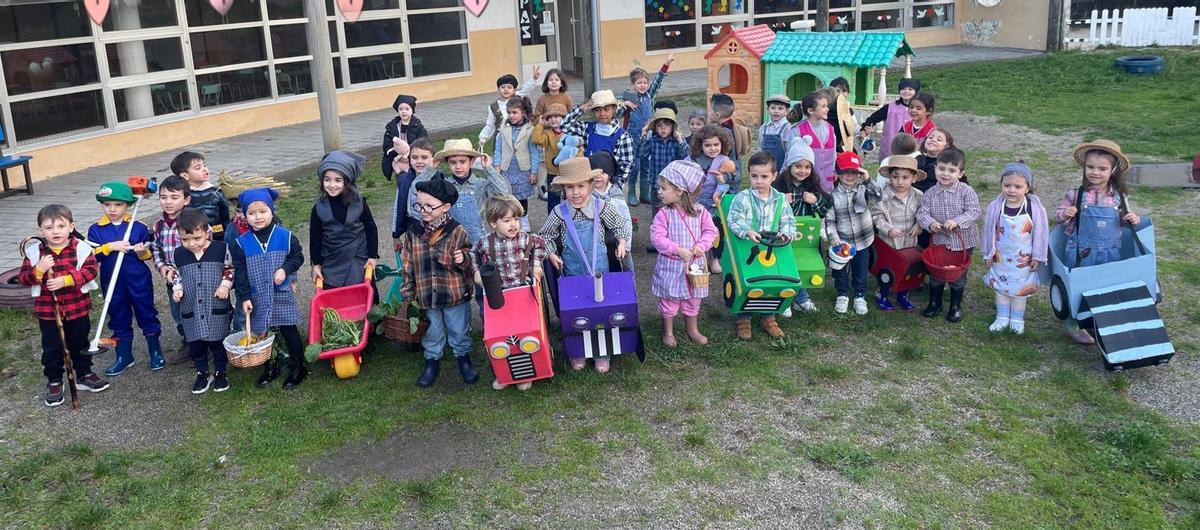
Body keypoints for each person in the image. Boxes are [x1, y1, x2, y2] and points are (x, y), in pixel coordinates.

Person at [538, 157, 632, 373]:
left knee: (601, 309)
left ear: (590, 185)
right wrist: (551, 253)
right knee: (576, 312)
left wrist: (622, 241)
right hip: (572, 273)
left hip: (600, 272)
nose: (576, 192)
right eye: (570, 187)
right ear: (563, 188)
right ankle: (578, 350)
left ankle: (602, 352)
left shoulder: (601, 207)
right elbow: (545, 236)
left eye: (581, 186)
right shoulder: (559, 213)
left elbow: (620, 225)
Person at [20, 205, 109, 407]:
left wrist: (66, 280)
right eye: (49, 227)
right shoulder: (35, 253)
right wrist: (39, 270)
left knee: (80, 342)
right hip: (48, 312)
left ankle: (84, 373)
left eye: (61, 226)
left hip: (77, 307)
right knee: (52, 347)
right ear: (41, 230)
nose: (55, 231)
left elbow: (90, 271)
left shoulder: (81, 248)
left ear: (71, 227)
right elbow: (24, 278)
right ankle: (54, 380)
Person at [1055, 140, 1139, 345]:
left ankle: (1097, 319)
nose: (1095, 172)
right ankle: (1072, 323)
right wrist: (1065, 213)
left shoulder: (1119, 197)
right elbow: (1058, 215)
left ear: (1112, 171)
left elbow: (1124, 220)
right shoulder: (1076, 194)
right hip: (1081, 251)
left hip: (1109, 251)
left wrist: (1131, 219)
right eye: (1091, 167)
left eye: (1102, 168)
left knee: (1104, 286)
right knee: (1077, 286)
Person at [229, 188, 309, 389]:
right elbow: (240, 272)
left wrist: (285, 269)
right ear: (245, 215)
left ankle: (298, 367)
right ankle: (270, 365)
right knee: (262, 332)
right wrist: (245, 296)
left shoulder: (286, 236)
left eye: (263, 211)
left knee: (289, 329)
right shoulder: (241, 243)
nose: (258, 217)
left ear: (272, 211)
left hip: (280, 293)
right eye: (252, 213)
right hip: (257, 295)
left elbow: (298, 257)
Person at [401, 179, 478, 388]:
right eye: (419, 205)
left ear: (445, 207)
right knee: (432, 330)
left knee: (458, 329)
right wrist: (408, 291)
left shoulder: (457, 231)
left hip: (453, 293)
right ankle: (431, 361)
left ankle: (463, 359)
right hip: (426, 295)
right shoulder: (413, 233)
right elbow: (407, 263)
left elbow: (471, 256)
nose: (423, 210)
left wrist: (465, 258)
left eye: (429, 206)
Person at [469, 194, 548, 391]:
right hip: (499, 297)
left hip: (522, 294)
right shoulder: (485, 242)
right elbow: (472, 254)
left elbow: (539, 246)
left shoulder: (526, 238)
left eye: (516, 219)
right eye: (507, 220)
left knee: (525, 336)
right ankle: (503, 374)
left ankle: (527, 374)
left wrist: (536, 265)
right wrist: (476, 272)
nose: (513, 224)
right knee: (499, 337)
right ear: (493, 223)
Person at [86, 180, 163, 376]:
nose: (112, 209)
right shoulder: (96, 229)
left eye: (118, 205)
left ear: (128, 205)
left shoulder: (138, 227)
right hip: (112, 281)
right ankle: (124, 356)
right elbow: (90, 255)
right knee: (118, 315)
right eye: (107, 204)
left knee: (146, 312)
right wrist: (108, 247)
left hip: (137, 279)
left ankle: (155, 351)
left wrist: (140, 252)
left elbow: (148, 255)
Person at [727, 152, 796, 340]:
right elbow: (733, 219)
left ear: (774, 176)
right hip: (749, 248)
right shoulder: (742, 198)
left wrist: (786, 233)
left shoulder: (780, 200)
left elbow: (788, 221)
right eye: (754, 176)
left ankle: (768, 317)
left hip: (772, 248)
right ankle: (744, 318)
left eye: (764, 176)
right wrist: (746, 231)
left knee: (770, 282)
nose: (758, 181)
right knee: (748, 281)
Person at [651, 160, 717, 347]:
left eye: (663, 188)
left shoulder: (700, 212)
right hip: (671, 265)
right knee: (669, 300)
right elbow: (657, 237)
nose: (659, 192)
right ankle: (668, 331)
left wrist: (701, 246)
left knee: (693, 298)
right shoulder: (663, 214)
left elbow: (710, 232)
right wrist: (676, 249)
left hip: (695, 267)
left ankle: (692, 329)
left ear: (679, 190)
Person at [171, 208, 234, 394]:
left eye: (197, 238)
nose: (191, 244)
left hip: (214, 304)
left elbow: (230, 269)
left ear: (207, 233)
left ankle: (221, 372)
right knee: (196, 343)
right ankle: (203, 372)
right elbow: (176, 275)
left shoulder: (221, 249)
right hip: (190, 306)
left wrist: (225, 286)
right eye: (185, 240)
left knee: (217, 341)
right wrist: (177, 289)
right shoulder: (179, 254)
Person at [982, 163, 1049, 335]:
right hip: (1001, 257)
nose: (1012, 190)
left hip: (1023, 259)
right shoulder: (996, 206)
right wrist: (988, 252)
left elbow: (1041, 233)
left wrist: (1038, 256)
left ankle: (1017, 319)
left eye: (1018, 186)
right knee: (1001, 287)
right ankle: (1002, 316)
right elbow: (988, 230)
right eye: (1007, 185)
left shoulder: (1034, 208)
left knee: (1020, 290)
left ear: (1027, 187)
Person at [409, 139, 512, 246]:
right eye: (453, 162)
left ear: (471, 162)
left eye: (462, 162)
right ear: (447, 163)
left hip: (480, 241)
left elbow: (504, 192)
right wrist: (430, 169)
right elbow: (415, 189)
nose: (458, 167)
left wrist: (488, 168)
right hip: (452, 241)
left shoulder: (481, 185)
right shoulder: (444, 186)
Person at [917, 148, 980, 323]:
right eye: (942, 169)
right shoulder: (930, 193)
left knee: (958, 274)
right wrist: (930, 223)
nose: (946, 174)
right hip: (940, 240)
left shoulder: (966, 191)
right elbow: (922, 213)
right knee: (937, 272)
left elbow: (974, 211)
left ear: (961, 174)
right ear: (935, 168)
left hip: (963, 241)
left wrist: (957, 221)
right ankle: (935, 302)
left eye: (952, 170)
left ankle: (955, 306)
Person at [774, 138, 831, 312]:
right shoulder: (778, 187)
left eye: (807, 167)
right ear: (790, 166)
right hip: (783, 234)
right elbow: (766, 210)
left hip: (805, 234)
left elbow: (826, 208)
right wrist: (780, 201)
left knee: (802, 265)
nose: (803, 171)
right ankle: (784, 298)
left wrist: (815, 201)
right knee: (784, 264)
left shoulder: (812, 185)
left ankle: (801, 298)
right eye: (798, 166)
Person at [310, 150, 379, 291]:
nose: (332, 185)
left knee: (360, 293)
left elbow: (371, 228)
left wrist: (372, 256)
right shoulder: (318, 208)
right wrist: (316, 264)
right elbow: (315, 237)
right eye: (327, 179)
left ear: (347, 181)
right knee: (333, 298)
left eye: (338, 180)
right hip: (332, 259)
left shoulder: (359, 202)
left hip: (358, 257)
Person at [825, 151, 879, 315]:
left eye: (854, 172)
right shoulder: (832, 196)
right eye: (845, 172)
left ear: (859, 173)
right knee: (840, 271)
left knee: (861, 271)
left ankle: (860, 296)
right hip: (843, 242)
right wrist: (834, 238)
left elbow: (879, 196)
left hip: (863, 240)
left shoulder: (864, 189)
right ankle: (842, 294)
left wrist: (868, 179)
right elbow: (830, 221)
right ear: (837, 174)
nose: (849, 176)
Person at [617, 53, 675, 206]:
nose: (643, 85)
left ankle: (644, 194)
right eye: (639, 82)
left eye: (645, 82)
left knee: (646, 167)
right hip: (632, 138)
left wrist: (666, 64)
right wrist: (624, 105)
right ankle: (631, 193)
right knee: (634, 168)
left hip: (648, 137)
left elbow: (658, 80)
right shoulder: (627, 98)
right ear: (633, 84)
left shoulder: (649, 95)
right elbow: (615, 115)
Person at [871, 156, 925, 312]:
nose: (900, 182)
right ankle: (882, 294)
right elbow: (876, 215)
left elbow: (923, 213)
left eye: (905, 177)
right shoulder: (884, 196)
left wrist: (919, 225)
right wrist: (887, 228)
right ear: (889, 177)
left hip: (909, 240)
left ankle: (903, 294)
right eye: (895, 177)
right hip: (890, 242)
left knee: (908, 268)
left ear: (914, 178)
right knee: (888, 269)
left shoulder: (918, 196)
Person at [150, 176, 192, 364]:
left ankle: (204, 343)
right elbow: (156, 249)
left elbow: (201, 246)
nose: (168, 202)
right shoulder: (159, 224)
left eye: (174, 197)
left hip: (192, 275)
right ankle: (189, 343)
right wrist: (163, 268)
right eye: (163, 197)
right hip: (171, 279)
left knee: (196, 309)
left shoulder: (191, 220)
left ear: (186, 200)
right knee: (178, 313)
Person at [560, 90, 634, 188]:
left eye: (606, 109)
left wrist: (616, 186)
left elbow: (627, 164)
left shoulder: (623, 136)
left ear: (614, 109)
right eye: (597, 110)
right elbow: (563, 125)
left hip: (608, 185)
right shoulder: (587, 128)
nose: (602, 113)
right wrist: (580, 109)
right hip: (587, 182)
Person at [690, 125, 737, 275]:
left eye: (716, 144)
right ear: (700, 145)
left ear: (722, 144)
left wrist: (725, 177)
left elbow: (736, 175)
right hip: (696, 200)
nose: (712, 148)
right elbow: (683, 171)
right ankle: (700, 258)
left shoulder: (724, 159)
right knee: (697, 230)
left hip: (716, 203)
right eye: (708, 145)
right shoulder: (694, 159)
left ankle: (714, 258)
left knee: (716, 231)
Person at [636, 106, 690, 232]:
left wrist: (680, 140)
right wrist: (643, 134)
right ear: (655, 128)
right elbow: (640, 153)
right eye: (659, 125)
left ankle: (673, 235)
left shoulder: (676, 142)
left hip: (674, 186)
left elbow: (685, 156)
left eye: (667, 125)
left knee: (674, 211)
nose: (663, 128)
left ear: (673, 127)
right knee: (657, 212)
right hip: (657, 185)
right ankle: (658, 237)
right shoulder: (653, 141)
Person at [492, 96, 540, 230]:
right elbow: (498, 149)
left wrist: (534, 171)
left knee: (522, 197)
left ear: (523, 113)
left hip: (523, 169)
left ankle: (523, 219)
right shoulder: (503, 129)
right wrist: (497, 164)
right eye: (509, 113)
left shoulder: (530, 129)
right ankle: (510, 219)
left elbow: (534, 152)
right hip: (507, 169)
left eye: (515, 112)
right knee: (508, 197)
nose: (511, 116)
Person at [589, 151, 634, 272]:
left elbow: (626, 221)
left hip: (614, 242)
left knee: (618, 274)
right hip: (593, 244)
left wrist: (625, 244)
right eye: (594, 172)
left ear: (609, 174)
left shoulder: (615, 194)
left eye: (603, 172)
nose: (598, 176)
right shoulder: (587, 194)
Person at [478, 68, 541, 149]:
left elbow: (526, 89)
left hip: (519, 135)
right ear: (498, 89)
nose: (506, 89)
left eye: (509, 87)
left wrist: (534, 78)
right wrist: (483, 138)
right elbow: (490, 125)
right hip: (502, 138)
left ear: (514, 90)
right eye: (503, 87)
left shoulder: (517, 97)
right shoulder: (493, 106)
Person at [789, 91, 837, 194]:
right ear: (811, 110)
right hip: (806, 184)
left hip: (826, 184)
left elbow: (833, 155)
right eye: (823, 106)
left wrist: (834, 171)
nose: (827, 109)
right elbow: (789, 158)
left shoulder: (831, 129)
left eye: (827, 106)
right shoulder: (797, 130)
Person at [390, 138, 437, 242]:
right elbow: (397, 207)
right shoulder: (404, 180)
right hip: (412, 227)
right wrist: (395, 236)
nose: (419, 161)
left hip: (435, 228)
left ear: (433, 159)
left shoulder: (438, 179)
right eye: (415, 157)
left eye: (424, 157)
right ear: (409, 159)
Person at [861, 78, 921, 160]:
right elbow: (873, 118)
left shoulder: (919, 109)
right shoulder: (890, 107)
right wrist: (866, 127)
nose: (906, 91)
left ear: (916, 92)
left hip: (912, 148)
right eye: (903, 89)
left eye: (910, 89)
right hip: (890, 148)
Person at [172, 151, 229, 236]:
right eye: (198, 168)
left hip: (218, 237)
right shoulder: (183, 196)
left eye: (204, 165)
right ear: (184, 176)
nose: (204, 169)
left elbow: (225, 217)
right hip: (192, 238)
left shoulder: (216, 192)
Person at [531, 103, 569, 211]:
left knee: (569, 197)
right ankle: (553, 222)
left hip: (568, 170)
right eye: (550, 117)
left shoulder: (569, 131)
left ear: (563, 118)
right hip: (553, 172)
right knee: (553, 199)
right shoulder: (547, 134)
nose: (553, 120)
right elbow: (536, 139)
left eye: (556, 116)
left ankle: (569, 222)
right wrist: (540, 124)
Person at [381, 94, 428, 180]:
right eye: (401, 109)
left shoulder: (417, 126)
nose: (403, 111)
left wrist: (411, 152)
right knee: (401, 180)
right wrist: (394, 152)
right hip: (397, 159)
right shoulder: (392, 126)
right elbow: (387, 144)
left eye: (407, 109)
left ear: (412, 110)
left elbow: (423, 141)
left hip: (413, 158)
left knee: (415, 179)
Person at [709, 93, 752, 172]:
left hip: (727, 173)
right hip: (735, 169)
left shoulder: (723, 133)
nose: (709, 111)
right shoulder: (733, 125)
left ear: (717, 115)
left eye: (711, 109)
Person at [758, 94, 794, 172]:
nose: (776, 111)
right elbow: (760, 148)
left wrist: (783, 171)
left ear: (787, 111)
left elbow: (789, 152)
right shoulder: (764, 128)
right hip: (765, 169)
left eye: (780, 108)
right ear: (768, 109)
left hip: (781, 169)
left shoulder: (788, 129)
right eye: (773, 108)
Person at [914, 128, 957, 193]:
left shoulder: (948, 165)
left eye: (939, 140)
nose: (933, 140)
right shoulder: (917, 159)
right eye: (930, 137)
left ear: (946, 146)